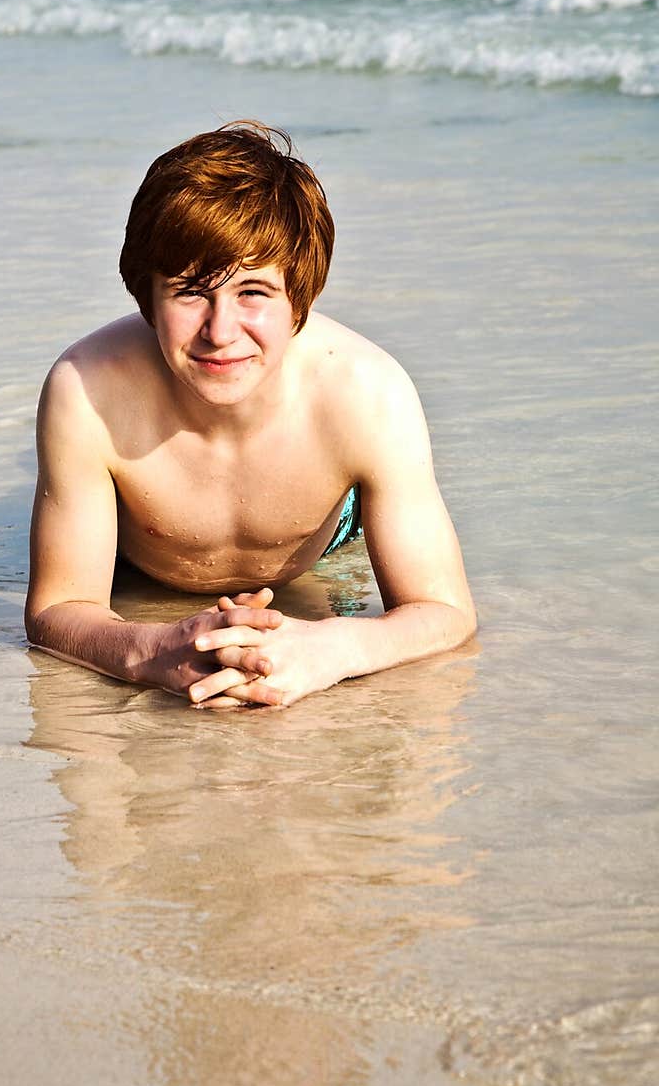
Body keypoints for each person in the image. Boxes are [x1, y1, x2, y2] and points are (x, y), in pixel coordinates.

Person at [25, 122, 476, 708]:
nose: (220, 332)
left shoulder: (368, 394)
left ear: (299, 299)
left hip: (328, 532)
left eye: (254, 293)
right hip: (136, 555)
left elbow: (446, 613)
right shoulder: (87, 391)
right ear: (147, 297)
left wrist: (333, 648)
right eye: (190, 291)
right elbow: (57, 608)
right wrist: (150, 650)